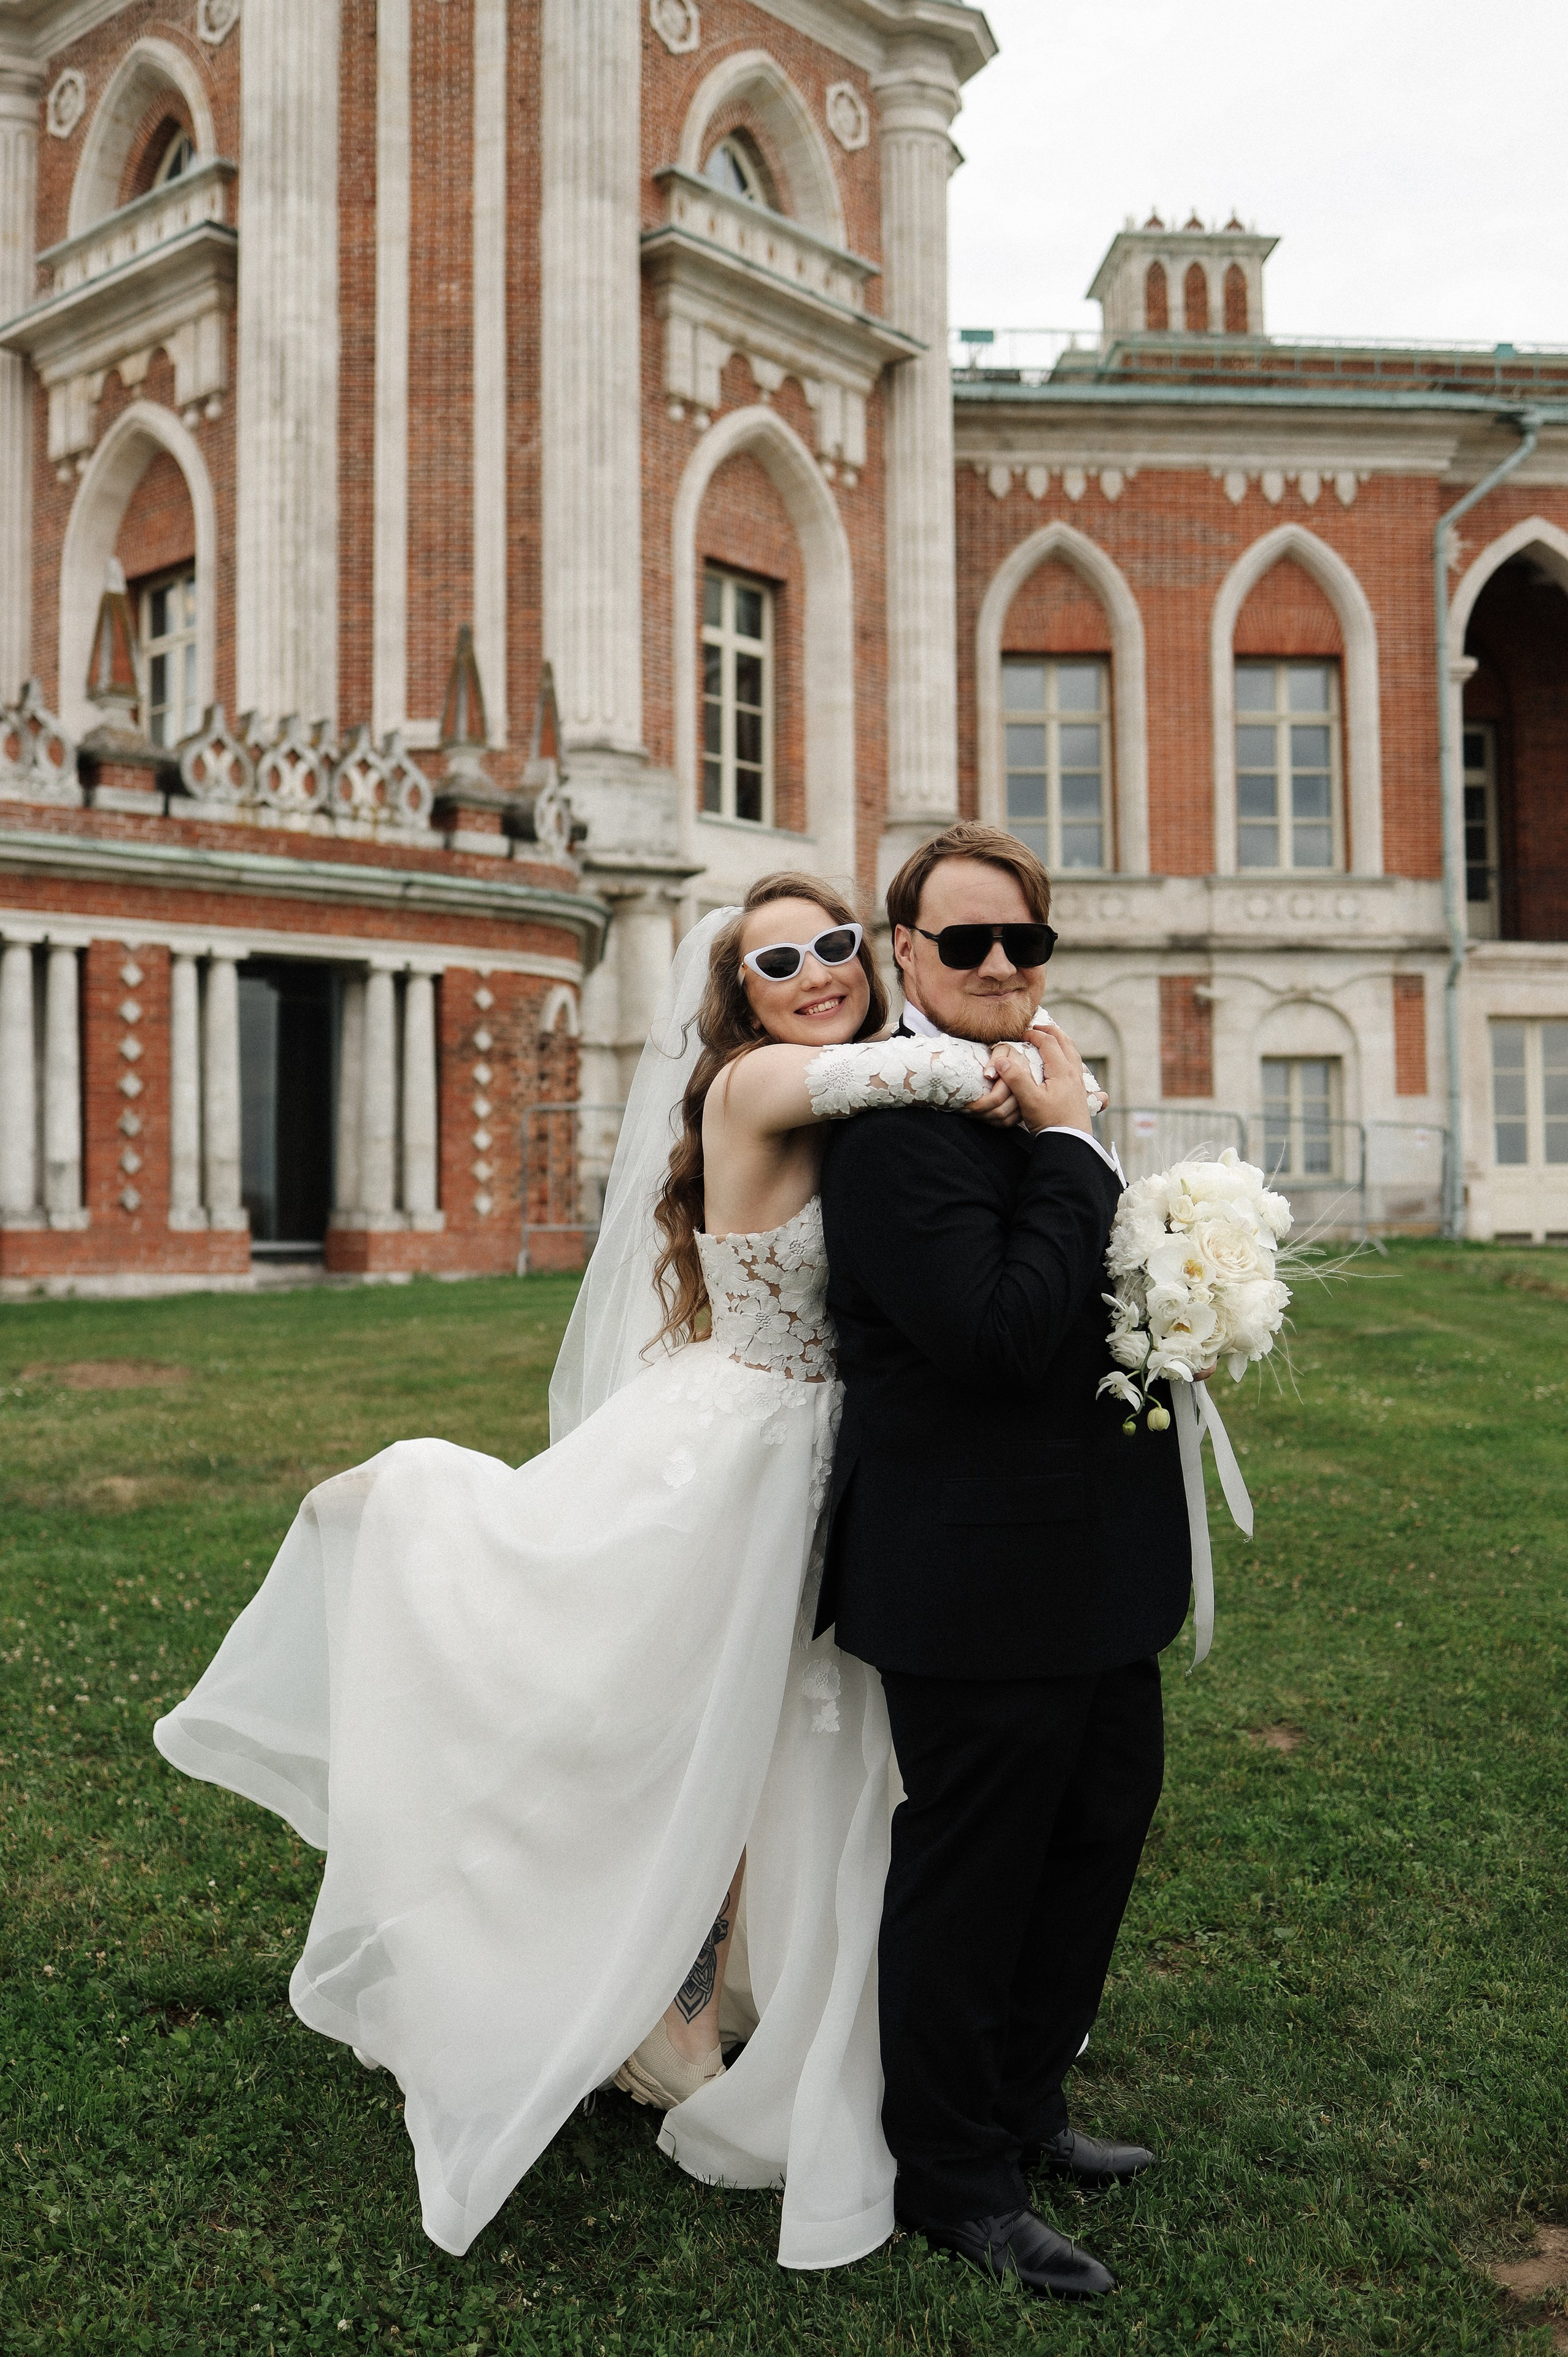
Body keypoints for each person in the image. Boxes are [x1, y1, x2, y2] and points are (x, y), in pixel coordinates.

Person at [153, 872, 1025, 2269]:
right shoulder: (759, 1087)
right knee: (672, 1725)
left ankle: (718, 1984)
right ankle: (643, 2004)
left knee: (774, 1742)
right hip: (738, 1454)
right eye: (779, 959)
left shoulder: (848, 1090)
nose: (817, 970)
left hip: (813, 1450)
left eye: (838, 945)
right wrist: (1023, 1069)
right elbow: (911, 1066)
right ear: (736, 997)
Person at [816, 821, 1194, 2300]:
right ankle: (950, 2174)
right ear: (901, 953)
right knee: (971, 1879)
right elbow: (989, 1333)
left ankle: (1027, 2105)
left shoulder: (1033, 1096)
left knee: (1096, 1834)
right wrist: (1076, 1148)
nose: (992, 965)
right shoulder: (893, 1130)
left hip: (1097, 1559)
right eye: (960, 942)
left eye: (1018, 943)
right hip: (968, 1578)